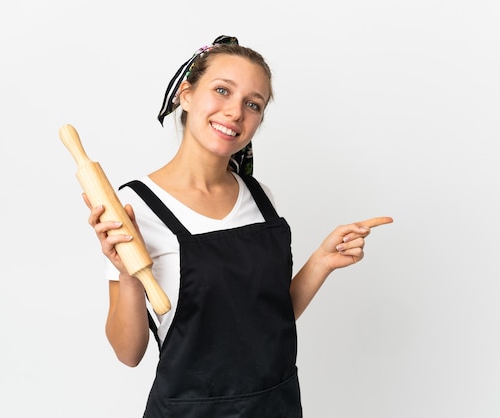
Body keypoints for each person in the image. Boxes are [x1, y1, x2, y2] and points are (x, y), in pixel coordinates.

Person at [84, 35, 392, 418]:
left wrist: (321, 262)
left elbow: (265, 319)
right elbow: (128, 353)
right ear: (186, 95)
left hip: (275, 406)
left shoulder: (260, 197)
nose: (235, 112)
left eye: (253, 104)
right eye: (221, 90)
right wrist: (128, 274)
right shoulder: (134, 208)